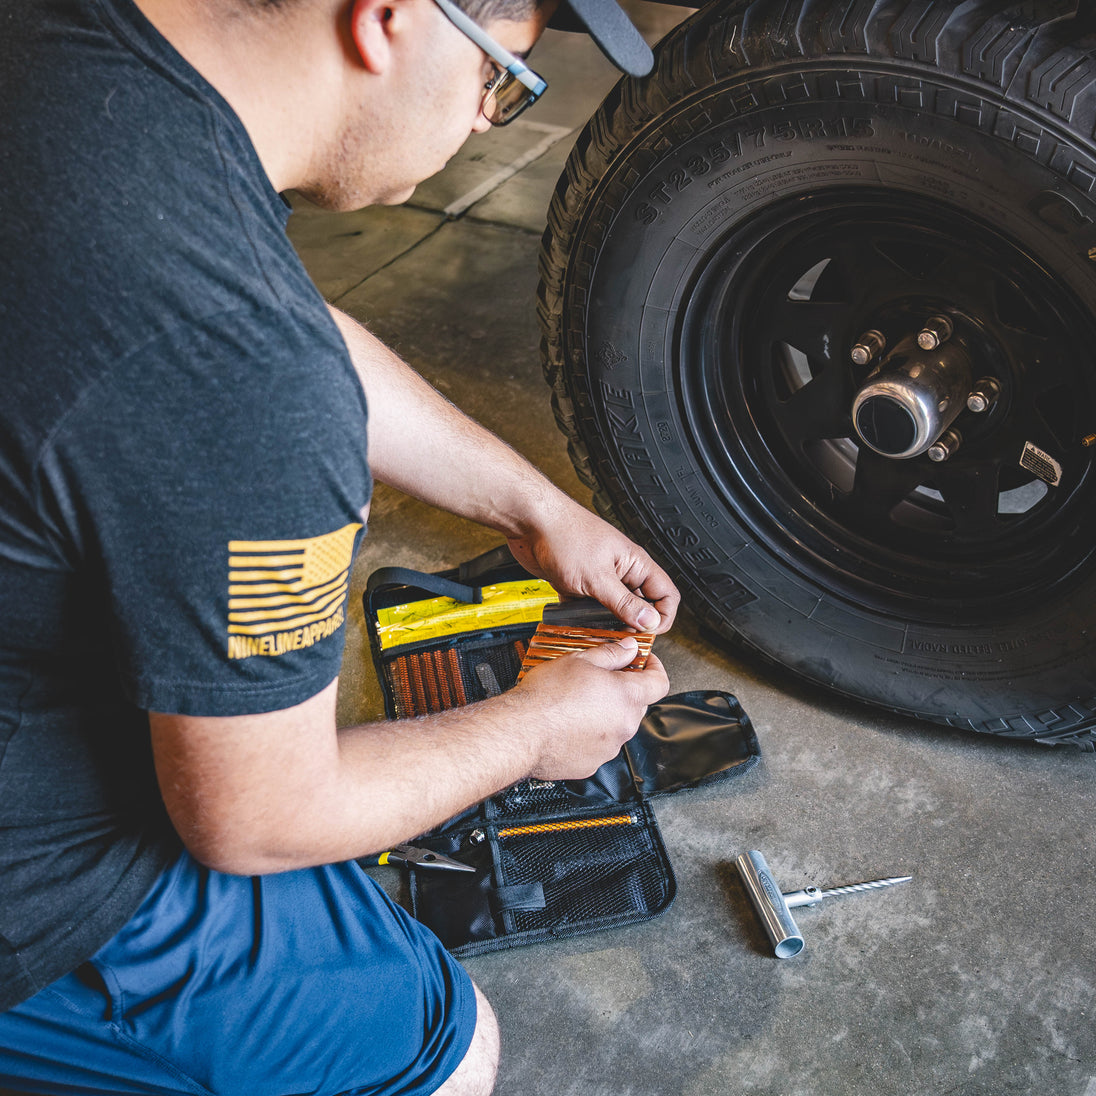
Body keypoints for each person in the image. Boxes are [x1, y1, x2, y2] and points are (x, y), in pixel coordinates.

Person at [0, 0, 679, 1092]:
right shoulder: (245, 375)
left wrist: (533, 509)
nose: (484, 117)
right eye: (503, 75)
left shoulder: (76, 55)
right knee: (447, 1050)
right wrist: (532, 731)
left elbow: (276, 321)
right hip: (33, 885)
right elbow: (261, 818)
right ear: (390, 18)